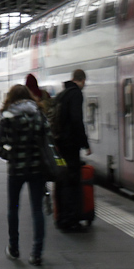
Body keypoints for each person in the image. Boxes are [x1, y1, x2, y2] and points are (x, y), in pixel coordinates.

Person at [0, 84, 49, 266]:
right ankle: (36, 253)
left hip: (16, 171)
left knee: (13, 209)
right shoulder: (39, 115)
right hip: (37, 170)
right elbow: (49, 140)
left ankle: (14, 248)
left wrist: (11, 156)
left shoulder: (8, 116)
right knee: (37, 210)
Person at [54, 69, 91, 231]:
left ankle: (61, 218)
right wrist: (85, 143)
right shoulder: (76, 94)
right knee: (72, 182)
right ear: (82, 80)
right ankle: (71, 221)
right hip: (70, 146)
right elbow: (77, 120)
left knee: (61, 181)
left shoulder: (62, 94)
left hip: (60, 144)